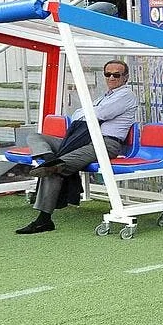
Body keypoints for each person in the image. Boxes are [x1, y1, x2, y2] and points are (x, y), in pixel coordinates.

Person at [16, 60, 140, 235]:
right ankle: (49, 158)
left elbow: (97, 114)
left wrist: (86, 112)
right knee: (36, 136)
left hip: (106, 143)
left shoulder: (126, 95)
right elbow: (78, 116)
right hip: (84, 139)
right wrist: (86, 113)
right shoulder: (104, 97)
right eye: (108, 74)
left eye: (116, 74)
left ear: (125, 77)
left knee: (54, 168)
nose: (111, 77)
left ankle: (43, 220)